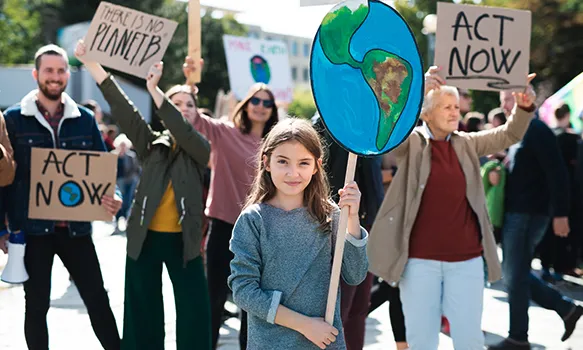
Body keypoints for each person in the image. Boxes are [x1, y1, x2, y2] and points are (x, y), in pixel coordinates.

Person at [368, 66, 536, 350]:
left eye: (456, 106)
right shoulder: (411, 143)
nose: (454, 112)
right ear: (426, 113)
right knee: (422, 342)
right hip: (419, 263)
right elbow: (386, 132)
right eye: (446, 106)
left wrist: (524, 107)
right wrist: (417, 92)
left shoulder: (467, 144)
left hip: (467, 263)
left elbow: (509, 134)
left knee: (470, 341)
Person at [76, 41, 212, 349]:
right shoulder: (151, 144)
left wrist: (156, 91)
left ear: (197, 113)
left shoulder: (201, 147)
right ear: (164, 113)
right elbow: (123, 109)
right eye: (176, 103)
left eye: (189, 104)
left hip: (186, 242)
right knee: (142, 311)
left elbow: (184, 132)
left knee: (194, 312)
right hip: (144, 238)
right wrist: (91, 63)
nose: (183, 108)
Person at [0, 44, 122, 350]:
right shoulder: (13, 119)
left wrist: (114, 196)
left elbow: (101, 166)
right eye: (49, 71)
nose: (55, 77)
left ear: (68, 73)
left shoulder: (84, 119)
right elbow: (4, 176)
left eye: (61, 70)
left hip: (76, 230)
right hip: (32, 230)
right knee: (36, 305)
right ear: (35, 74)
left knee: (97, 298)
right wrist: (2, 227)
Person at [228, 118, 369, 349]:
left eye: (304, 163)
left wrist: (351, 219)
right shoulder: (253, 220)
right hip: (271, 344)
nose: (293, 173)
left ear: (316, 166)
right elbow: (244, 291)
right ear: (267, 162)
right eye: (283, 161)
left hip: (325, 343)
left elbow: (355, 274)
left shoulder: (330, 215)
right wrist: (305, 325)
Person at [182, 56, 279, 349]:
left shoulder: (278, 145)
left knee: (250, 305)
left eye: (266, 102)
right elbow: (194, 119)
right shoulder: (225, 132)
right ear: (246, 104)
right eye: (256, 100)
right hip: (223, 224)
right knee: (212, 298)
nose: (260, 106)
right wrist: (190, 82)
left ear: (273, 109)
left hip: (261, 231)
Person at [489, 100, 583, 349]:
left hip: (529, 213)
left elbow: (558, 172)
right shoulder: (517, 130)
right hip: (518, 212)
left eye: (512, 98)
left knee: (514, 275)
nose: (507, 105)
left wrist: (561, 214)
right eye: (504, 99)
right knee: (515, 274)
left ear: (526, 99)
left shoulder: (537, 129)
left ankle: (519, 337)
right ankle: (565, 309)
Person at [313, 113, 387, 350]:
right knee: (338, 309)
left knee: (359, 307)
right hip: (335, 226)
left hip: (365, 226)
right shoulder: (325, 121)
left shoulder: (371, 123)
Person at [112, 133, 140, 231]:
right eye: (121, 145)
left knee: (127, 202)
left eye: (124, 145)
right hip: (117, 182)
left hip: (130, 181)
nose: (123, 147)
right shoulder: (113, 155)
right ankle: (116, 220)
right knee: (118, 201)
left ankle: (124, 219)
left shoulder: (131, 156)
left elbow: (136, 169)